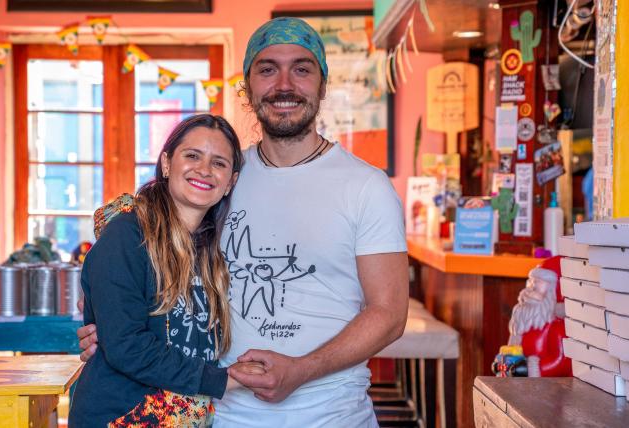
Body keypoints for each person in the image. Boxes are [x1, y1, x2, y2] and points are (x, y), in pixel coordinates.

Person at [78, 17, 409, 427]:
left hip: (331, 415)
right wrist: (107, 323)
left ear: (322, 85)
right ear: (248, 86)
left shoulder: (367, 187)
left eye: (301, 69)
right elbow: (155, 258)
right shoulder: (221, 177)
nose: (284, 84)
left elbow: (390, 314)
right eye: (267, 69)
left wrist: (302, 368)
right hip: (221, 414)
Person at [68, 114, 264, 427]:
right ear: (167, 163)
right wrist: (221, 380)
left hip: (186, 417)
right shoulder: (127, 235)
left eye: (219, 163)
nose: (204, 170)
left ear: (231, 182)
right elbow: (126, 346)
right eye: (192, 155)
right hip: (122, 417)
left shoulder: (211, 249)